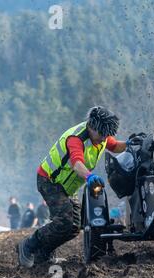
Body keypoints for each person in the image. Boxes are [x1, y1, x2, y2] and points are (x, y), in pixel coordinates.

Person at [17, 106, 129, 268]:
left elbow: (114, 145)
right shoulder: (76, 139)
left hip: (68, 186)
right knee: (65, 222)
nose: (104, 138)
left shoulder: (101, 137)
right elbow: (77, 164)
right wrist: (90, 176)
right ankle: (28, 245)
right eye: (102, 134)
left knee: (74, 227)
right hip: (50, 181)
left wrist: (131, 143)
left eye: (107, 135)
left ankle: (43, 255)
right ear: (92, 127)